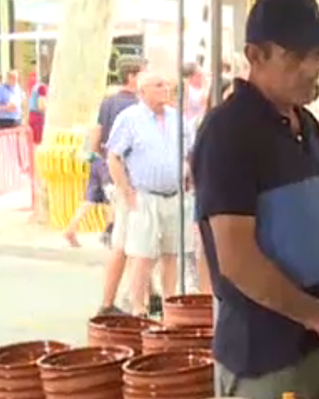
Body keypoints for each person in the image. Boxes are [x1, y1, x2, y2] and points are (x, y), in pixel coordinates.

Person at [192, 0, 319, 399]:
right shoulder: (228, 132)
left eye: (318, 54)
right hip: (264, 359)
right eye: (296, 57)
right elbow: (236, 259)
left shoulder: (308, 126)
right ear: (255, 56)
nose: (312, 68)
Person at [107, 71, 194, 316]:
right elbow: (113, 157)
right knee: (142, 255)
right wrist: (127, 192)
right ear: (142, 91)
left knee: (171, 254)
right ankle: (138, 307)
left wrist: (189, 181)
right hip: (144, 196)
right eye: (158, 85)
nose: (165, 89)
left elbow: (189, 153)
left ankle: (169, 305)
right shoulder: (130, 118)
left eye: (167, 84)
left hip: (175, 196)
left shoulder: (178, 119)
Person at [64, 58, 140, 279]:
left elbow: (97, 129)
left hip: (102, 157)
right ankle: (110, 233)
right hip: (121, 162)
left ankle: (72, 228)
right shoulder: (135, 105)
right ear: (132, 76)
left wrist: (96, 152)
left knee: (93, 196)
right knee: (116, 202)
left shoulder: (107, 102)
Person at [27, 73, 48, 145]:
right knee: (39, 143)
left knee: (34, 143)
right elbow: (41, 106)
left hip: (32, 116)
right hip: (38, 118)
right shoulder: (42, 88)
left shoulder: (36, 86)